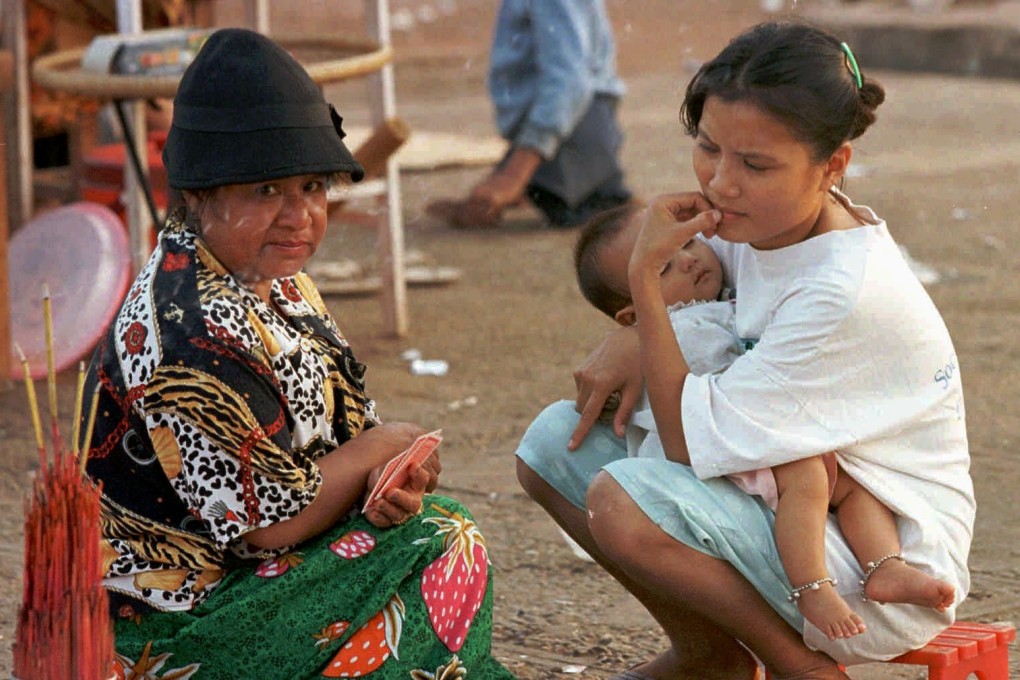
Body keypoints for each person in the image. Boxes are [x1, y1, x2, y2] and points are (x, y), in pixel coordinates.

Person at [516, 20, 974, 680]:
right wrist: (633, 332)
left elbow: (681, 445)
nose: (721, 184)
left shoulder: (840, 290)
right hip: (779, 503)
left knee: (625, 499)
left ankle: (800, 667)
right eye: (708, 149)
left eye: (755, 164)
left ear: (834, 166)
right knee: (553, 441)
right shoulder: (757, 221)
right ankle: (711, 657)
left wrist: (646, 285)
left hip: (871, 568)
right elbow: (689, 309)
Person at [80, 28, 513, 679]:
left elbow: (335, 439)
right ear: (199, 196)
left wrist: (384, 483)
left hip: (246, 582)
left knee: (425, 529)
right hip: (171, 628)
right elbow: (266, 528)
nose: (299, 215)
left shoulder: (274, 282)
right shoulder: (184, 329)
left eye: (312, 187)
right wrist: (379, 449)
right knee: (442, 538)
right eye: (265, 192)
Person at [574, 203, 956, 642]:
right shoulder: (686, 329)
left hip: (735, 435)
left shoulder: (716, 299)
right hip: (710, 448)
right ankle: (812, 584)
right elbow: (700, 419)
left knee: (850, 484)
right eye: (662, 268)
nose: (690, 259)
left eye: (689, 242)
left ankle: (885, 565)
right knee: (809, 475)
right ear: (634, 310)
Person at [426, 0, 633, 229]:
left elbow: (570, 82)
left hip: (574, 127)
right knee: (485, 204)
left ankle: (560, 184)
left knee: (596, 215)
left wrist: (514, 175)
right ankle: (559, 184)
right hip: (565, 123)